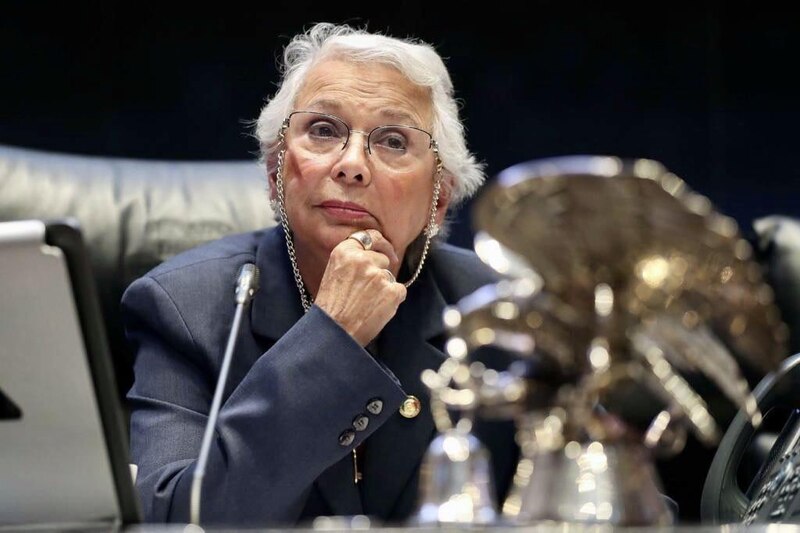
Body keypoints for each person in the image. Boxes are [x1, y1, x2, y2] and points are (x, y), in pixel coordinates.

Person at [121, 22, 519, 526]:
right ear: (275, 175)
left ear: (438, 203)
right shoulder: (183, 308)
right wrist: (331, 336)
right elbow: (180, 517)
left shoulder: (504, 315)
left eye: (394, 141)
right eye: (324, 131)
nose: (352, 164)